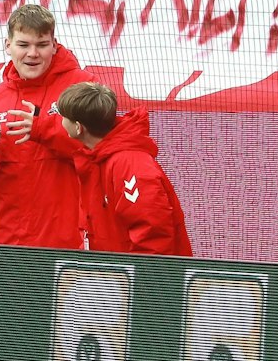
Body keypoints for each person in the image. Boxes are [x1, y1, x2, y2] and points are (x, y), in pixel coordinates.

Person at [0, 3, 94, 248]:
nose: (32, 53)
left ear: (54, 45)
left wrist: (43, 129)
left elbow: (96, 146)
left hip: (69, 241)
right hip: (8, 241)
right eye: (23, 45)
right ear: (8, 46)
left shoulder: (82, 87)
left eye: (42, 45)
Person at [54, 82, 193, 256]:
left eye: (63, 116)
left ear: (78, 127)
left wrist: (140, 279)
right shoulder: (98, 156)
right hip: (118, 273)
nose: (60, 121)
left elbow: (153, 234)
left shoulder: (129, 164)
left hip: (144, 277)